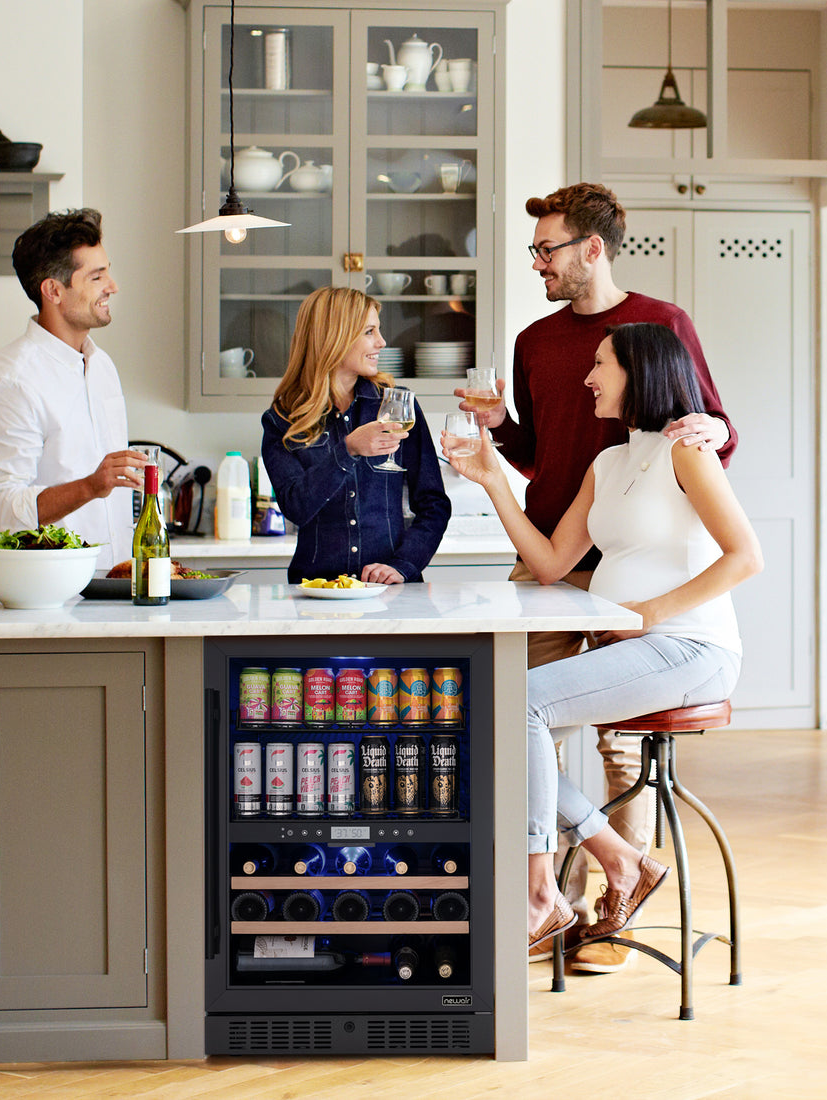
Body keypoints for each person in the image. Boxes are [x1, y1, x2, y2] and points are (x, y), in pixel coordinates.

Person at [457, 182, 737, 971]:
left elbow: (708, 422)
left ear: (592, 250)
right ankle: (582, 882)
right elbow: (537, 448)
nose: (537, 263)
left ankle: (609, 912)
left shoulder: (657, 329)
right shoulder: (537, 341)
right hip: (559, 544)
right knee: (516, 710)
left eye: (547, 249)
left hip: (636, 568)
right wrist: (494, 434)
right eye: (534, 250)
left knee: (620, 744)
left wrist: (710, 434)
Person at [0, 208, 147, 571]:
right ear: (53, 290)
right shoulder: (10, 381)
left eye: (107, 271)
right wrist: (90, 486)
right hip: (48, 601)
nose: (112, 286)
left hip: (112, 588)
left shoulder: (102, 367)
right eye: (97, 277)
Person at [261, 286, 450, 584]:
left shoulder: (397, 407)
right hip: (315, 592)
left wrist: (403, 565)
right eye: (369, 332)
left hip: (389, 594)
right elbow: (295, 507)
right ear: (334, 338)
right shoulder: (282, 419)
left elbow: (434, 504)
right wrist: (347, 450)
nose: (382, 341)